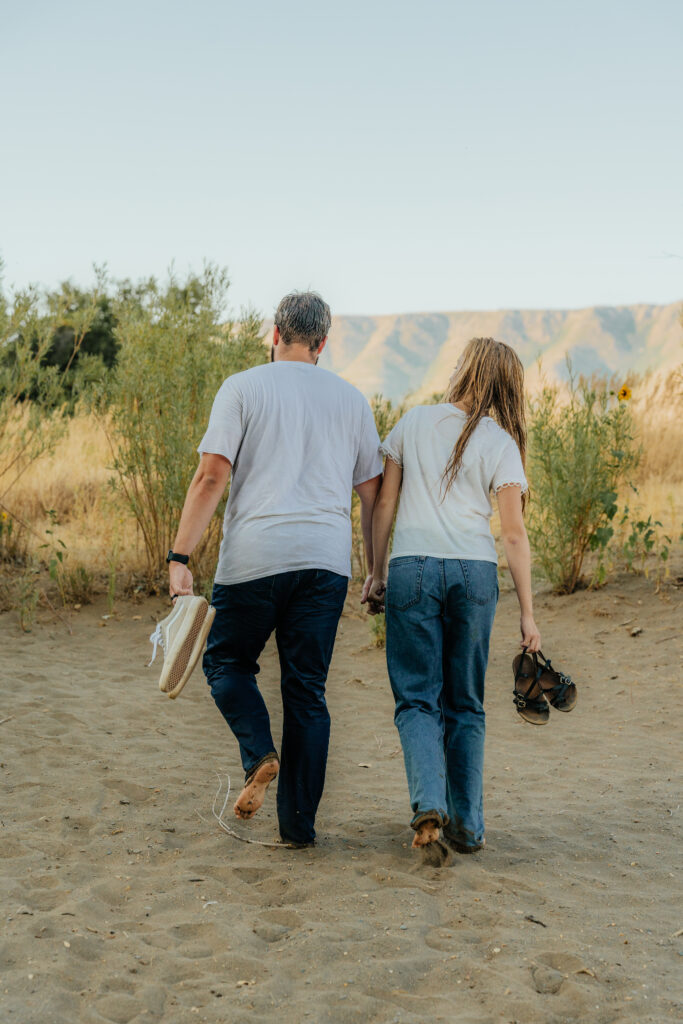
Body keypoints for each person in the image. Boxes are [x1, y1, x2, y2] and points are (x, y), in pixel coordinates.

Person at [167, 291, 383, 847]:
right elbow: (373, 494)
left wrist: (180, 556)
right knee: (307, 692)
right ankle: (298, 830)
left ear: (274, 333)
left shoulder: (243, 387)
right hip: (325, 564)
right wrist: (373, 567)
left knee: (225, 663)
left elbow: (212, 476)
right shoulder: (352, 400)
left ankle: (259, 752)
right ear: (323, 344)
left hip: (255, 559)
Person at [362, 337, 541, 857]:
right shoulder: (501, 442)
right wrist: (528, 614)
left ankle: (428, 807)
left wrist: (375, 573)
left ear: (463, 371)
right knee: (466, 703)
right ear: (508, 386)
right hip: (475, 573)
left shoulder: (413, 422)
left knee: (417, 698)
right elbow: (512, 534)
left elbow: (385, 502)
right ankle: (466, 826)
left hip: (412, 567)